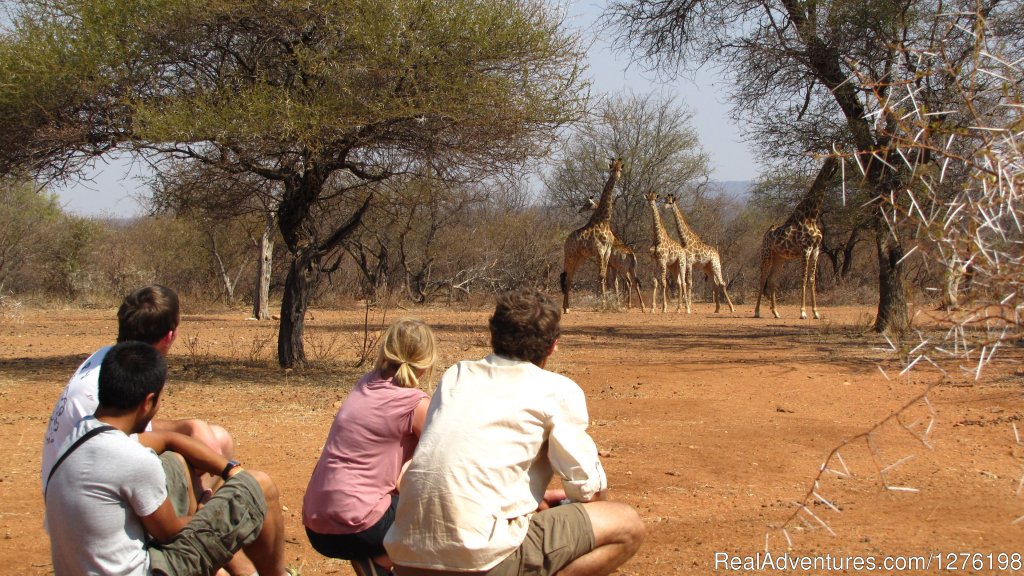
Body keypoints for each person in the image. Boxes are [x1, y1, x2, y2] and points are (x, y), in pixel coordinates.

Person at [384, 288, 645, 576]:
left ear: (493, 335)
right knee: (626, 524)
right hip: (479, 559)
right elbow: (589, 491)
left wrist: (533, 502)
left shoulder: (455, 376)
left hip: (406, 556)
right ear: (553, 345)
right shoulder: (557, 390)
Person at [43, 340, 288, 576]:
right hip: (149, 568)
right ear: (149, 401)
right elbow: (170, 533)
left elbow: (169, 440)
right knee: (260, 485)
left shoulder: (79, 434)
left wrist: (229, 469)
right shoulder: (134, 460)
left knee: (173, 461)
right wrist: (204, 508)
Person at [42, 285, 234, 494]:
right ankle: (184, 518)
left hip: (73, 474)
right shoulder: (125, 375)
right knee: (185, 458)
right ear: (169, 336)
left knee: (218, 438)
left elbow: (124, 428)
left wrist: (191, 426)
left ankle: (191, 510)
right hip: (83, 488)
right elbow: (115, 443)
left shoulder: (110, 358)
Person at [304, 318, 436, 576]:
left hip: (316, 524)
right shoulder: (415, 404)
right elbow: (447, 452)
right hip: (359, 527)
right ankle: (384, 560)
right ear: (427, 362)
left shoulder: (365, 383)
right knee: (441, 507)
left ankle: (372, 559)